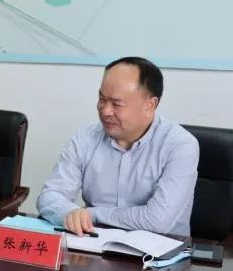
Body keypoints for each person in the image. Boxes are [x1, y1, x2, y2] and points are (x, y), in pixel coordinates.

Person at [37, 57, 199, 236]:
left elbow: (158, 220)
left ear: (150, 105)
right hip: (93, 244)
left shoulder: (180, 146)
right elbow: (49, 196)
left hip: (161, 249)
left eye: (116, 104)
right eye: (102, 99)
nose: (105, 111)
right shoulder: (85, 137)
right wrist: (71, 213)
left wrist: (91, 214)